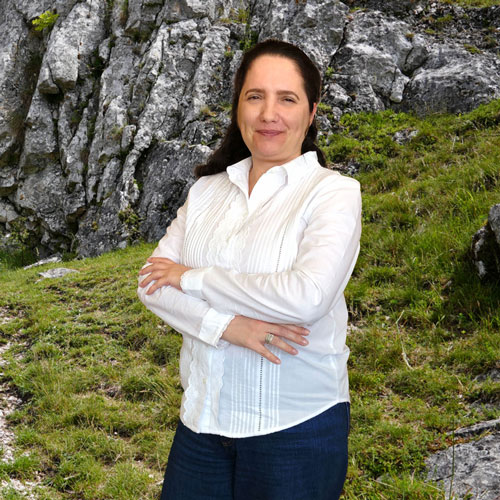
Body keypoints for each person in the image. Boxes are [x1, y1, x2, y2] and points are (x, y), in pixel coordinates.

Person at [137, 38, 361, 500]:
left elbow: (307, 296)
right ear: (238, 106)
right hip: (202, 425)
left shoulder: (333, 193)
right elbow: (152, 284)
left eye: (287, 98)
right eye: (255, 96)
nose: (268, 114)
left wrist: (192, 278)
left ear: (312, 111)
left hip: (296, 429)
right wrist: (228, 327)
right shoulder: (207, 192)